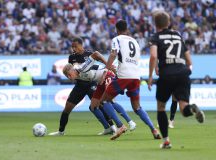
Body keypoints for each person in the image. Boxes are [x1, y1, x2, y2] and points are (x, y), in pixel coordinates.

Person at [148, 11, 205, 149]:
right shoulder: (178, 36)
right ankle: (192, 108)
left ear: (155, 24)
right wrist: (187, 70)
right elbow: (189, 59)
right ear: (168, 23)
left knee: (161, 107)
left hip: (167, 74)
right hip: (182, 73)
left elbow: (154, 56)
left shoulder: (156, 37)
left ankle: (166, 141)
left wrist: (150, 76)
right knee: (183, 107)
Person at [99, 19, 161, 140]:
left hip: (124, 75)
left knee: (104, 101)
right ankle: (153, 129)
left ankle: (120, 126)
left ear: (116, 30)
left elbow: (113, 54)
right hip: (135, 77)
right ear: (127, 29)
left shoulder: (116, 39)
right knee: (137, 107)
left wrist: (106, 70)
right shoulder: (135, 42)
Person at [48, 37, 117, 136]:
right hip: (80, 85)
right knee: (67, 108)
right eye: (72, 47)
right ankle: (61, 131)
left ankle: (111, 127)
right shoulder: (71, 57)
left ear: (81, 45)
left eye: (75, 46)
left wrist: (108, 66)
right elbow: (72, 71)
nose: (74, 49)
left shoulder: (89, 54)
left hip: (91, 83)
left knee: (98, 105)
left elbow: (96, 62)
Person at [62, 53, 137, 132]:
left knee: (107, 101)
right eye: (67, 76)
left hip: (107, 75)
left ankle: (125, 124)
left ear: (72, 70)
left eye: (69, 75)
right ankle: (108, 128)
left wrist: (109, 65)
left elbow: (96, 54)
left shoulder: (82, 67)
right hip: (100, 81)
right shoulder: (77, 75)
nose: (69, 78)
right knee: (93, 107)